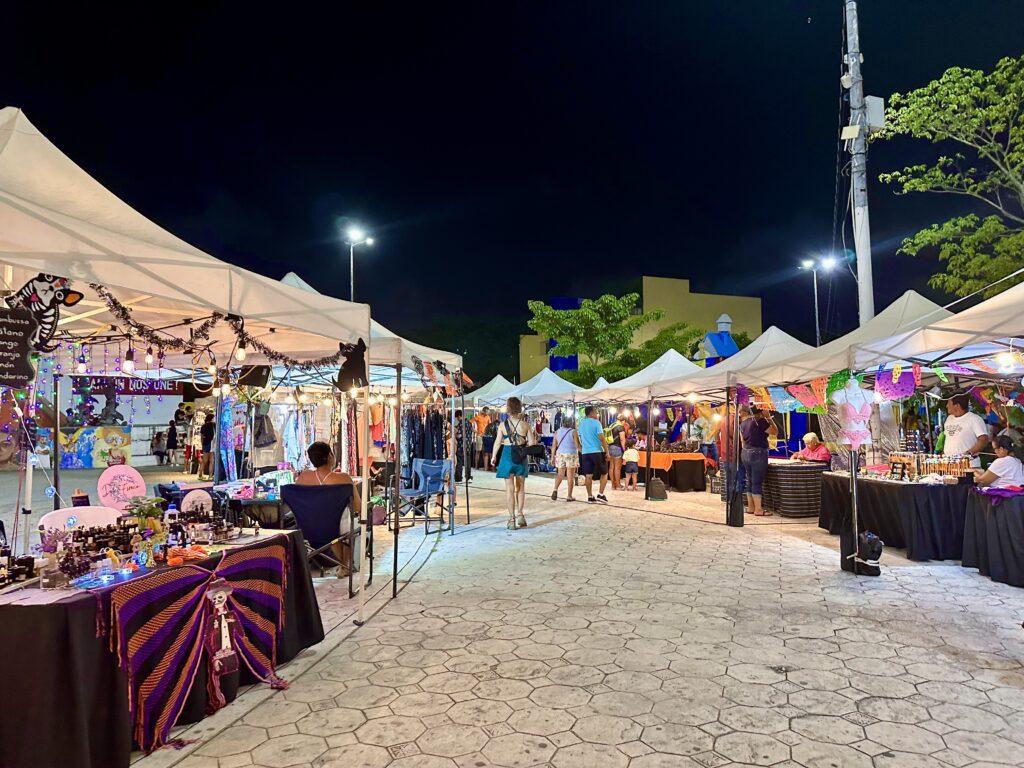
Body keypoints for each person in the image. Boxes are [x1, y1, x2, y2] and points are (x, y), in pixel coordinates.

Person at [492, 397, 537, 529]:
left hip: (507, 455)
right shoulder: (525, 425)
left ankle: (511, 520)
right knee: (521, 487)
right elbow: (532, 443)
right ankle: (521, 515)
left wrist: (493, 456)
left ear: (508, 408)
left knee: (509, 489)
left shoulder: (502, 425)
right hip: (521, 456)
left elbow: (497, 442)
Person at [739, 405, 777, 516]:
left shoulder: (743, 423)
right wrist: (769, 418)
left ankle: (751, 507)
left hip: (745, 453)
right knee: (757, 482)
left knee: (749, 480)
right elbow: (774, 431)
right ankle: (758, 509)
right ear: (761, 412)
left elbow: (742, 441)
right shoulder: (760, 421)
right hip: (758, 454)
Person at [943, 393, 990, 467]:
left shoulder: (974, 419)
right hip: (950, 464)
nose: (946, 406)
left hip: (969, 464)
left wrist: (969, 454)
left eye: (949, 403)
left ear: (957, 406)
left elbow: (983, 439)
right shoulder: (949, 419)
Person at [578, 406, 610, 504]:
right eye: (596, 412)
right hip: (596, 451)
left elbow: (580, 438)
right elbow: (602, 438)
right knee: (604, 473)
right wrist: (607, 451)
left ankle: (590, 496)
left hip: (585, 452)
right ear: (591, 412)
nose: (597, 414)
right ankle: (600, 494)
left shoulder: (581, 424)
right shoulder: (596, 423)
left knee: (588, 475)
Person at [551, 415, 582, 501]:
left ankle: (555, 489)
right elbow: (577, 445)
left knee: (560, 474)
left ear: (562, 422)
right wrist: (583, 451)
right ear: (571, 423)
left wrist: (552, 457)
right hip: (571, 454)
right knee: (570, 476)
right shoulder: (573, 432)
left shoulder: (557, 432)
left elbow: (554, 446)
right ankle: (569, 496)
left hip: (560, 454)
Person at [607, 413, 628, 490]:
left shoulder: (611, 425)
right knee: (617, 468)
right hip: (617, 448)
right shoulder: (620, 427)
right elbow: (622, 440)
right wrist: (624, 450)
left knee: (611, 467)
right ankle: (618, 485)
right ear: (623, 421)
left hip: (610, 447)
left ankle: (613, 485)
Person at [454, 410, 474, 483]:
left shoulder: (461, 424)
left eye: (457, 418)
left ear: (459, 416)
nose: (457, 419)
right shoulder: (469, 423)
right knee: (468, 463)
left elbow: (459, 435)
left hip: (461, 446)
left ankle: (458, 478)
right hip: (468, 446)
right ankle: (468, 477)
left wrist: (454, 435)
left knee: (459, 462)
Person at [199, 413, 216, 478]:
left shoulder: (203, 426)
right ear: (212, 418)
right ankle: (210, 475)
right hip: (212, 443)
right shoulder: (214, 425)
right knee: (212, 460)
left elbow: (202, 436)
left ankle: (200, 474)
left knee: (204, 460)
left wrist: (202, 444)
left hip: (205, 444)